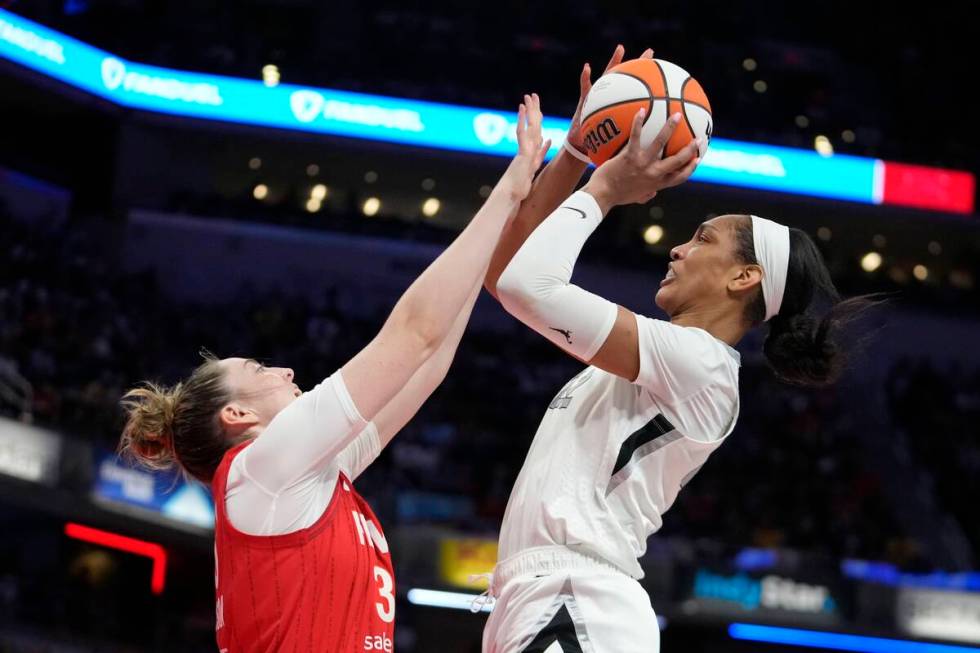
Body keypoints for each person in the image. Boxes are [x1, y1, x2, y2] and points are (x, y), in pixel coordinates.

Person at [118, 97, 550, 652]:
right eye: (260, 369)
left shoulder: (306, 474)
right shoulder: (262, 468)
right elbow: (414, 333)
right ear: (239, 414)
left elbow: (429, 361)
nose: (285, 370)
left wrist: (498, 236)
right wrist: (508, 191)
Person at [481, 46, 872, 652]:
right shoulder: (668, 356)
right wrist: (580, 152)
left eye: (702, 239)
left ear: (744, 278)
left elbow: (523, 287)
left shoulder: (702, 365)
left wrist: (606, 189)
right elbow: (504, 272)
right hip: (551, 594)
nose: (677, 249)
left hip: (579, 599)